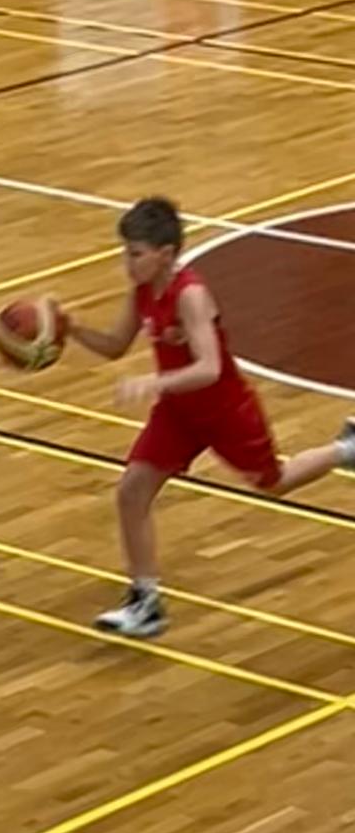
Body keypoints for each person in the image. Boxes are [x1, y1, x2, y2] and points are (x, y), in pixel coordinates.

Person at [63, 196, 355, 639]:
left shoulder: (191, 295)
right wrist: (71, 328)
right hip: (178, 413)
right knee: (131, 492)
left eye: (135, 253)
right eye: (126, 252)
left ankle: (345, 448)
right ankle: (145, 601)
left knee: (274, 482)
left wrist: (154, 381)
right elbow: (115, 346)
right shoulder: (142, 292)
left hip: (226, 411)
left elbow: (210, 367)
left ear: (165, 254)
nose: (127, 262)